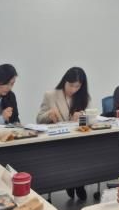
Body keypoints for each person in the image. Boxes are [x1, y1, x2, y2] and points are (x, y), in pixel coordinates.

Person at [37, 67, 91, 200]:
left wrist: (81, 116)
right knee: (69, 154)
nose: (73, 89)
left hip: (78, 139)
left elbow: (90, 119)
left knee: (82, 151)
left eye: (77, 86)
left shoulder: (84, 97)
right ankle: (72, 183)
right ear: (64, 81)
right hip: (58, 140)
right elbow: (38, 119)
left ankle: (79, 183)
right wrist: (49, 115)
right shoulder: (50, 95)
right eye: (71, 85)